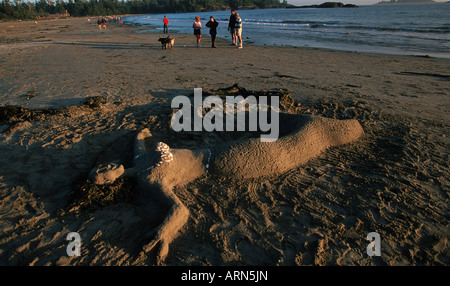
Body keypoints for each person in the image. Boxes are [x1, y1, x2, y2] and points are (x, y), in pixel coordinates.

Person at [88, 113, 364, 263]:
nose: (106, 167)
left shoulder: (139, 157)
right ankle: (346, 128)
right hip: (222, 164)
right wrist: (165, 233)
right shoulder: (151, 181)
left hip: (218, 150)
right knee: (291, 148)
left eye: (103, 166)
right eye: (103, 173)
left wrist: (142, 134)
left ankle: (329, 126)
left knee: (299, 133)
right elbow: (180, 210)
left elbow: (141, 138)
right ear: (110, 181)